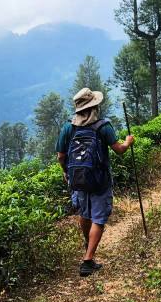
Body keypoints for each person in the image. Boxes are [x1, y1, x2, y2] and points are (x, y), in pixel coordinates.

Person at [57, 87, 133, 277]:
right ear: (94, 107)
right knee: (98, 218)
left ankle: (87, 243)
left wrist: (67, 172)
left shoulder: (69, 127)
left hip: (78, 179)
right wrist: (128, 141)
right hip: (100, 180)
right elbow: (119, 150)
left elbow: (61, 156)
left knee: (84, 212)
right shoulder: (103, 126)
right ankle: (88, 261)